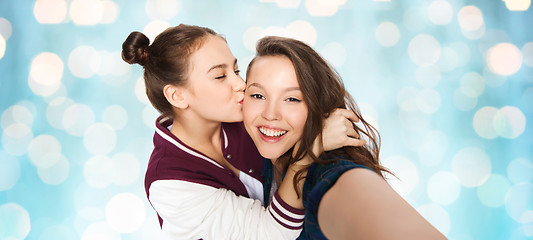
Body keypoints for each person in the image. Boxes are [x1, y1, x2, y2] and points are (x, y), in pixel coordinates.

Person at [121, 24, 364, 239]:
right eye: (220, 76)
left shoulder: (243, 117)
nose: (241, 85)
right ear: (177, 95)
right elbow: (271, 234)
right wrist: (310, 151)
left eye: (236, 71)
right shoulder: (170, 183)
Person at [243, 36, 448, 240]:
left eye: (292, 99)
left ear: (317, 105)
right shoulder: (253, 160)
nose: (271, 114)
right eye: (258, 96)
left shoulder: (333, 175)